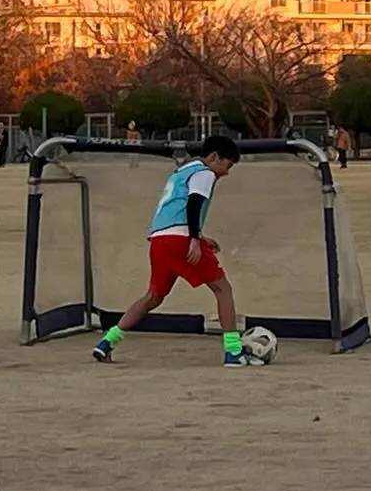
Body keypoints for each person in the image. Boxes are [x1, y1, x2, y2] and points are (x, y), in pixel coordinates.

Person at [91, 135, 261, 367]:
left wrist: (201, 237)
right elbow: (193, 204)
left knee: (153, 297)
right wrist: (193, 240)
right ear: (213, 158)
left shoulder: (182, 172)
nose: (227, 172)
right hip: (181, 240)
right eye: (227, 165)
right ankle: (233, 352)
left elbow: (175, 209)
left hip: (160, 240)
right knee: (223, 289)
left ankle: (107, 342)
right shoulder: (205, 173)